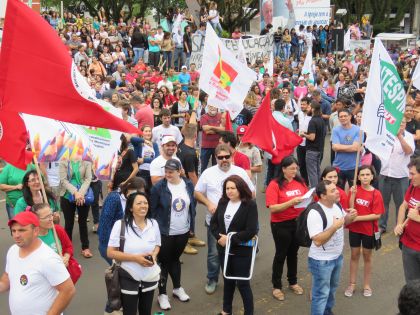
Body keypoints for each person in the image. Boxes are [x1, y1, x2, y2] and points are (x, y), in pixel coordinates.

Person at [195, 144, 255, 295]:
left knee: (236, 251)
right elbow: (197, 193)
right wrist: (208, 204)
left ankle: (233, 278)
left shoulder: (240, 172)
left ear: (232, 156)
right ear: (215, 158)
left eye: (226, 157)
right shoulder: (208, 173)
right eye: (220, 157)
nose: (224, 160)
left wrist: (241, 206)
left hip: (237, 224)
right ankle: (212, 279)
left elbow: (252, 193)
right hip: (215, 223)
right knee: (214, 253)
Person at [0, 211, 75, 314]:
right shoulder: (12, 251)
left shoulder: (48, 258)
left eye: (22, 230)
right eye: (13, 230)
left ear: (35, 231)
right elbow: (6, 280)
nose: (16, 235)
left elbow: (68, 290)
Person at [150, 159, 195, 310]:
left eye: (171, 172)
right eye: (166, 171)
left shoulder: (187, 184)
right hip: (164, 231)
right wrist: (154, 231)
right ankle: (162, 294)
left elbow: (191, 207)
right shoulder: (158, 187)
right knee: (164, 262)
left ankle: (177, 288)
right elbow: (152, 210)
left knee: (175, 259)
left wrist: (191, 227)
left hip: (182, 230)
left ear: (179, 171)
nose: (167, 174)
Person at [210, 175, 258, 315]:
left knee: (242, 284)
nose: (229, 191)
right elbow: (214, 224)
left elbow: (251, 230)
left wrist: (230, 239)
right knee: (228, 281)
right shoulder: (223, 202)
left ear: (240, 188)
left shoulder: (249, 204)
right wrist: (220, 238)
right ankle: (226, 311)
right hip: (223, 249)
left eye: (233, 188)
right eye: (227, 188)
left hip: (241, 251)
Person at [307, 180, 357, 315]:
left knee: (332, 290)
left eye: (336, 189)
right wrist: (334, 227)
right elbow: (317, 241)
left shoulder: (336, 205)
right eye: (333, 191)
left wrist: (350, 217)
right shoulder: (314, 213)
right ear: (323, 196)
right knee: (321, 295)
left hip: (337, 257)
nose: (338, 192)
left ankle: (327, 312)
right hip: (322, 261)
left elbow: (343, 222)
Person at [107, 192, 161, 315]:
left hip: (149, 276)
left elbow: (157, 245)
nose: (143, 206)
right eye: (139, 203)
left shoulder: (154, 224)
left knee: (146, 311)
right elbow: (110, 252)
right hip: (128, 276)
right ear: (131, 208)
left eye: (146, 203)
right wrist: (135, 258)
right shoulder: (120, 225)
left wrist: (154, 255)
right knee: (129, 312)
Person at [265, 156, 308, 301]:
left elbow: (307, 197)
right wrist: (291, 202)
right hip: (281, 224)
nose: (294, 171)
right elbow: (273, 208)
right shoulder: (275, 184)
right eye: (291, 169)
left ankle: (293, 281)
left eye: (296, 168)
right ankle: (277, 286)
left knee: (293, 253)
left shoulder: (300, 182)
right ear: (283, 169)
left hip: (297, 223)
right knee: (281, 254)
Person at [344, 165, 384, 298]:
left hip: (368, 230)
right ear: (358, 177)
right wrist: (352, 195)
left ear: (372, 177)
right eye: (362, 175)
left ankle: (367, 285)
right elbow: (350, 208)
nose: (365, 177)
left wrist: (358, 218)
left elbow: (377, 215)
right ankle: (352, 284)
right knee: (354, 255)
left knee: (367, 256)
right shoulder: (354, 190)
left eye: (368, 174)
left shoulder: (376, 193)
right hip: (355, 229)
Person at [98, 177, 147, 265]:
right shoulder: (114, 198)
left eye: (141, 193)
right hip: (112, 244)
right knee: (122, 270)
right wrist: (113, 249)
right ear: (128, 189)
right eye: (136, 193)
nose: (139, 197)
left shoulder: (135, 201)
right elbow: (105, 225)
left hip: (128, 244)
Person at [379, 119, 414, 233]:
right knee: (384, 203)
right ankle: (382, 226)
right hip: (385, 174)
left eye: (402, 123)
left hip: (401, 176)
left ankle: (400, 226)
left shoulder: (408, 136)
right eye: (398, 123)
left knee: (401, 204)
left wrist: (399, 136)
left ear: (405, 124)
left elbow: (409, 151)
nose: (400, 125)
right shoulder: (386, 135)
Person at [32, 203, 81, 283]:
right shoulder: (32, 238)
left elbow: (69, 247)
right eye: (46, 217)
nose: (51, 219)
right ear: (36, 220)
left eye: (51, 215)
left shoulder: (57, 230)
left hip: (61, 274)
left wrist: (66, 257)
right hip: (44, 279)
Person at [59, 159, 93, 258]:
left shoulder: (87, 161)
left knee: (83, 222)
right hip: (67, 196)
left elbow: (88, 179)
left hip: (83, 196)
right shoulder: (63, 161)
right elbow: (63, 180)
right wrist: (75, 193)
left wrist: (80, 194)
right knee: (68, 224)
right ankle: (67, 249)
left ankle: (85, 247)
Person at [394, 157, 420, 283]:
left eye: (413, 174)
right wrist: (399, 224)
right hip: (409, 245)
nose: (409, 177)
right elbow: (403, 206)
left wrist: (417, 218)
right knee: (411, 285)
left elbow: (414, 216)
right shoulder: (412, 187)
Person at [332, 109, 361, 189]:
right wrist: (353, 147)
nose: (343, 118)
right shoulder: (336, 130)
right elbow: (335, 147)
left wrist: (340, 147)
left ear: (350, 116)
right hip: (339, 167)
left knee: (354, 192)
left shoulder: (358, 130)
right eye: (341, 117)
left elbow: (355, 147)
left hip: (354, 167)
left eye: (345, 116)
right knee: (338, 192)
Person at [302, 102, 325, 188]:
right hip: (319, 149)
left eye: (309, 107)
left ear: (313, 109)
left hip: (312, 150)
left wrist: (303, 134)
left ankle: (314, 191)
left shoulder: (312, 121)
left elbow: (312, 137)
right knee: (317, 170)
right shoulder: (321, 120)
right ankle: (319, 188)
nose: (308, 109)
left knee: (312, 172)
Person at [200, 105, 225, 172]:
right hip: (206, 146)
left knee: (217, 167)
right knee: (203, 167)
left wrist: (210, 127)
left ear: (217, 107)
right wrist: (218, 129)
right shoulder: (203, 117)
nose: (213, 108)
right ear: (208, 107)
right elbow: (206, 130)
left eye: (214, 106)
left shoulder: (221, 116)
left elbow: (223, 129)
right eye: (211, 106)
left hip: (218, 146)